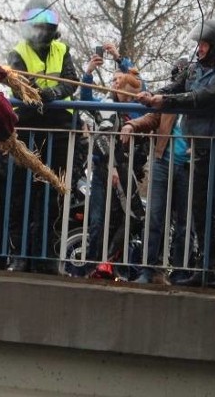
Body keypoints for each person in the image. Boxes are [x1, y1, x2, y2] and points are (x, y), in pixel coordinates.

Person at [135, 19, 215, 290]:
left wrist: (167, 101)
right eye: (199, 44)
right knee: (201, 211)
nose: (199, 50)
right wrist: (153, 95)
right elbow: (175, 89)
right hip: (199, 149)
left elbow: (204, 98)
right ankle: (206, 268)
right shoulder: (194, 69)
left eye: (204, 45)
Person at [5, 0, 79, 273]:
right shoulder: (18, 51)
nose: (43, 32)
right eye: (38, 26)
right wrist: (38, 93)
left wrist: (54, 94)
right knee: (22, 193)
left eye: (46, 27)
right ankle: (19, 254)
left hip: (58, 128)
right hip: (28, 127)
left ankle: (47, 254)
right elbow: (19, 84)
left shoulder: (62, 49)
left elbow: (70, 79)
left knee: (54, 193)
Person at [122, 58, 192, 284]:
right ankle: (150, 269)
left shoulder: (199, 100)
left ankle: (180, 271)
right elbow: (153, 117)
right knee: (155, 217)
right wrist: (132, 124)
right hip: (162, 161)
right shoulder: (168, 101)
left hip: (190, 166)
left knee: (184, 222)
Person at [79, 63, 148, 276]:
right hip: (106, 171)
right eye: (128, 95)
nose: (131, 99)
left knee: (134, 217)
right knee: (98, 221)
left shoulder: (135, 108)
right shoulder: (107, 106)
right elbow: (101, 135)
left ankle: (108, 262)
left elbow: (146, 92)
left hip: (127, 173)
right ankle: (93, 265)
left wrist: (124, 63)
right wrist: (88, 74)